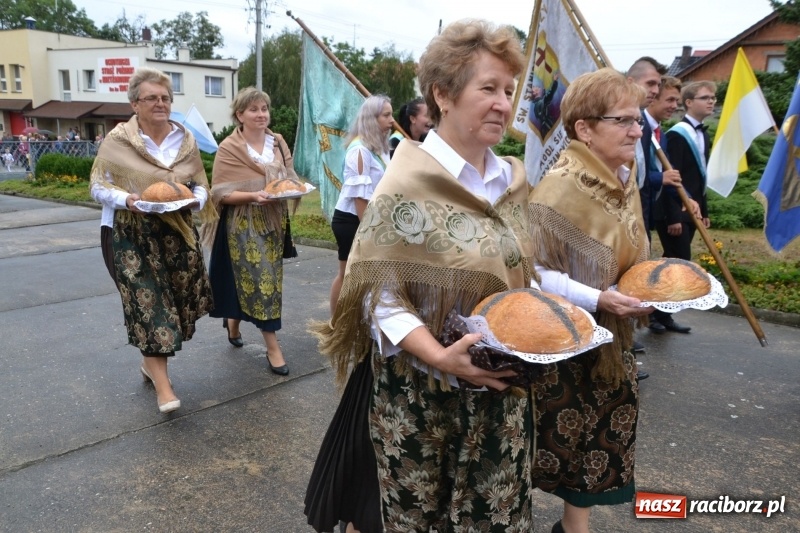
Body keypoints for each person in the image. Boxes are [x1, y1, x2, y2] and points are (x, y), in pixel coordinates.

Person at [306, 19, 537, 532]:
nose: (503, 103)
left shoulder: (511, 180)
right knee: (418, 521)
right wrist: (440, 356)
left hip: (502, 394)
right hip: (422, 396)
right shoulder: (404, 181)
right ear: (443, 94)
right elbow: (374, 296)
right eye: (488, 88)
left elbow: (525, 280)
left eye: (508, 90)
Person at [528, 67, 655, 533]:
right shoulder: (558, 187)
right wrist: (599, 297)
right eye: (623, 120)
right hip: (566, 340)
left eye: (637, 119)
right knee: (560, 437)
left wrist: (652, 288)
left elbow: (633, 249)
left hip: (613, 335)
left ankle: (573, 525)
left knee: (603, 433)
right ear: (584, 128)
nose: (636, 130)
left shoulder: (623, 176)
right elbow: (535, 273)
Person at [89, 67, 216, 414]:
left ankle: (150, 365)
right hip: (129, 232)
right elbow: (98, 186)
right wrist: (128, 200)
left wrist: (197, 200)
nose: (160, 103)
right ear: (134, 103)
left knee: (175, 302)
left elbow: (200, 184)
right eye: (151, 98)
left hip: (177, 232)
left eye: (165, 98)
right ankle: (164, 387)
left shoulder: (185, 140)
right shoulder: (118, 141)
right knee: (148, 306)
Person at [202, 87, 295, 376]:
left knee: (261, 280)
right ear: (239, 115)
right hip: (242, 225)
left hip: (273, 222)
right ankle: (273, 347)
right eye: (254, 109)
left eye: (265, 108)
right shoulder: (230, 148)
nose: (261, 114)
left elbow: (289, 179)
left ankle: (234, 321)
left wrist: (291, 188)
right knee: (263, 282)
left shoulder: (277, 142)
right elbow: (219, 193)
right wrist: (254, 196)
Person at [654, 81, 715, 333]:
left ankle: (661, 315)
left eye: (713, 97)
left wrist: (705, 210)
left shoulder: (704, 133)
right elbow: (672, 178)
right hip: (676, 212)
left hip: (693, 209)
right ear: (689, 103)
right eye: (705, 97)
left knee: (676, 262)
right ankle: (659, 314)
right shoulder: (677, 135)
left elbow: (699, 178)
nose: (711, 101)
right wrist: (672, 217)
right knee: (677, 263)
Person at [328, 95, 394, 315]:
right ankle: (336, 323)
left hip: (367, 217)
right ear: (371, 118)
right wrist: (369, 230)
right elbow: (359, 198)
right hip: (352, 219)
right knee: (346, 272)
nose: (391, 120)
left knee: (364, 275)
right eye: (386, 115)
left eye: (391, 115)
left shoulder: (378, 146)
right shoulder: (359, 150)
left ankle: (358, 322)